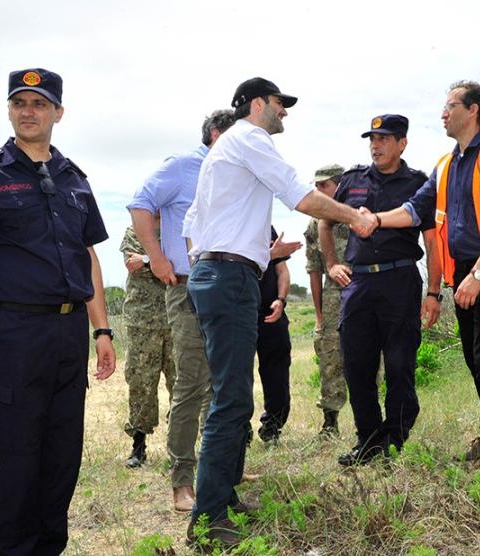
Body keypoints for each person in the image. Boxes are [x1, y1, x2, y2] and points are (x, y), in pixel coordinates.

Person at [182, 77, 377, 548]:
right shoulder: (249, 137)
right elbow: (297, 193)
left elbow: (192, 224)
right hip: (228, 278)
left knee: (235, 396)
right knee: (231, 400)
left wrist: (225, 258)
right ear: (255, 104)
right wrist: (355, 216)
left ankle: (223, 497)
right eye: (278, 104)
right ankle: (207, 522)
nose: (284, 112)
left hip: (223, 273)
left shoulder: (223, 151)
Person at [0, 68, 116, 555]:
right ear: (10, 110)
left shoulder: (74, 178)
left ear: (58, 112)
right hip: (9, 334)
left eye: (39, 104)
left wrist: (102, 329)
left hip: (67, 334)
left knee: (60, 462)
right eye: (19, 103)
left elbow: (88, 256)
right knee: (12, 465)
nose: (28, 112)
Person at [371, 82, 480, 468]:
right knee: (472, 358)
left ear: (473, 110)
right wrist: (374, 219)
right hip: (465, 273)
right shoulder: (446, 164)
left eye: (450, 106)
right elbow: (415, 210)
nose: (443, 113)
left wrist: (479, 273)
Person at [127, 109, 235, 511]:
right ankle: (182, 481)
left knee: (225, 383)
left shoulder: (236, 171)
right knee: (190, 383)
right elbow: (140, 204)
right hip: (188, 285)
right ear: (216, 133)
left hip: (229, 285)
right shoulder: (183, 166)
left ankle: (222, 470)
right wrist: (156, 257)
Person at [319, 114, 440, 467]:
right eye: (372, 138)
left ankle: (395, 440)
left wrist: (434, 292)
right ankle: (368, 440)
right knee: (357, 365)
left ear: (402, 143)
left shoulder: (418, 184)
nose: (376, 145)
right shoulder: (353, 180)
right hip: (357, 284)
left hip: (400, 281)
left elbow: (432, 242)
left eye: (384, 138)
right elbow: (325, 222)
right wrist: (331, 264)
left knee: (400, 364)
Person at [119, 223, 175, 468]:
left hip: (177, 317)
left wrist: (148, 258)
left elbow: (185, 264)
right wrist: (161, 262)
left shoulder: (178, 229)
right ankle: (138, 447)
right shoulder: (136, 231)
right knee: (141, 383)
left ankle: (180, 448)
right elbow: (134, 266)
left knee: (183, 384)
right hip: (142, 320)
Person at [304, 164, 348, 437]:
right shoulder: (314, 222)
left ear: (340, 185)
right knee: (329, 358)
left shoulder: (360, 214)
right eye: (317, 186)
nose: (319, 191)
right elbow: (314, 270)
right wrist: (319, 315)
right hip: (332, 299)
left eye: (324, 186)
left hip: (363, 296)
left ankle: (370, 417)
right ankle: (330, 422)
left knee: (369, 359)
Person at [255, 226, 301, 444]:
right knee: (236, 373)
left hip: (270, 311)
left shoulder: (266, 227)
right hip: (238, 311)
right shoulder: (226, 222)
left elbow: (281, 270)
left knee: (277, 371)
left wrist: (280, 300)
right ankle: (238, 428)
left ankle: (273, 425)